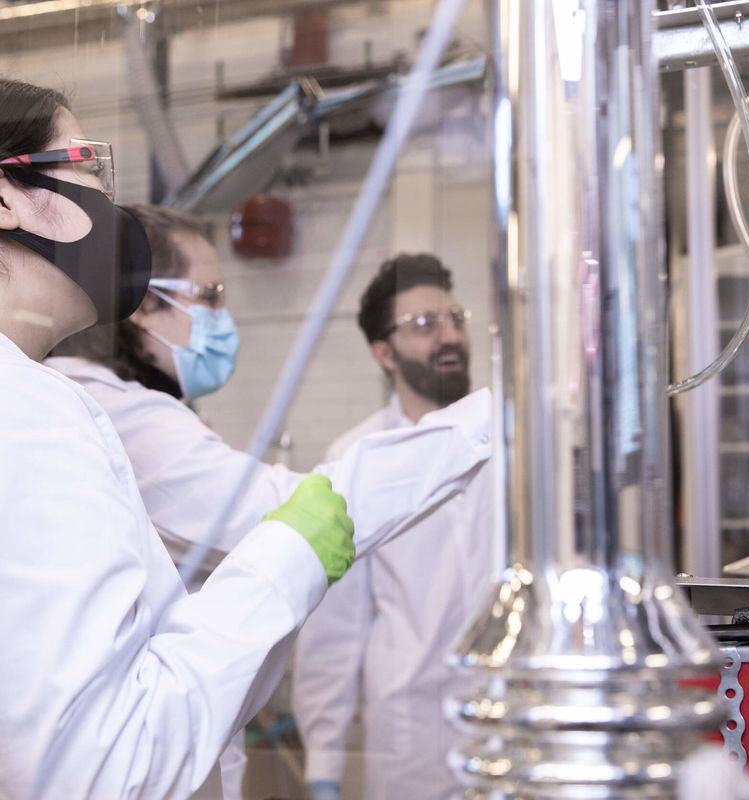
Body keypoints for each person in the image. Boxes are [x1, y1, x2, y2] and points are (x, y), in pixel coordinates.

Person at [0, 80, 490, 800]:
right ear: (7, 197)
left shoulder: (42, 398)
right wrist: (289, 556)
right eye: (88, 166)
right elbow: (95, 766)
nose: (108, 200)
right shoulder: (31, 413)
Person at [291, 254, 494, 800]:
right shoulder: (356, 457)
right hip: (411, 734)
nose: (449, 336)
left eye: (455, 318)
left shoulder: (510, 437)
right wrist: (324, 764)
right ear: (383, 353)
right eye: (425, 325)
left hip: (511, 718)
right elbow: (334, 629)